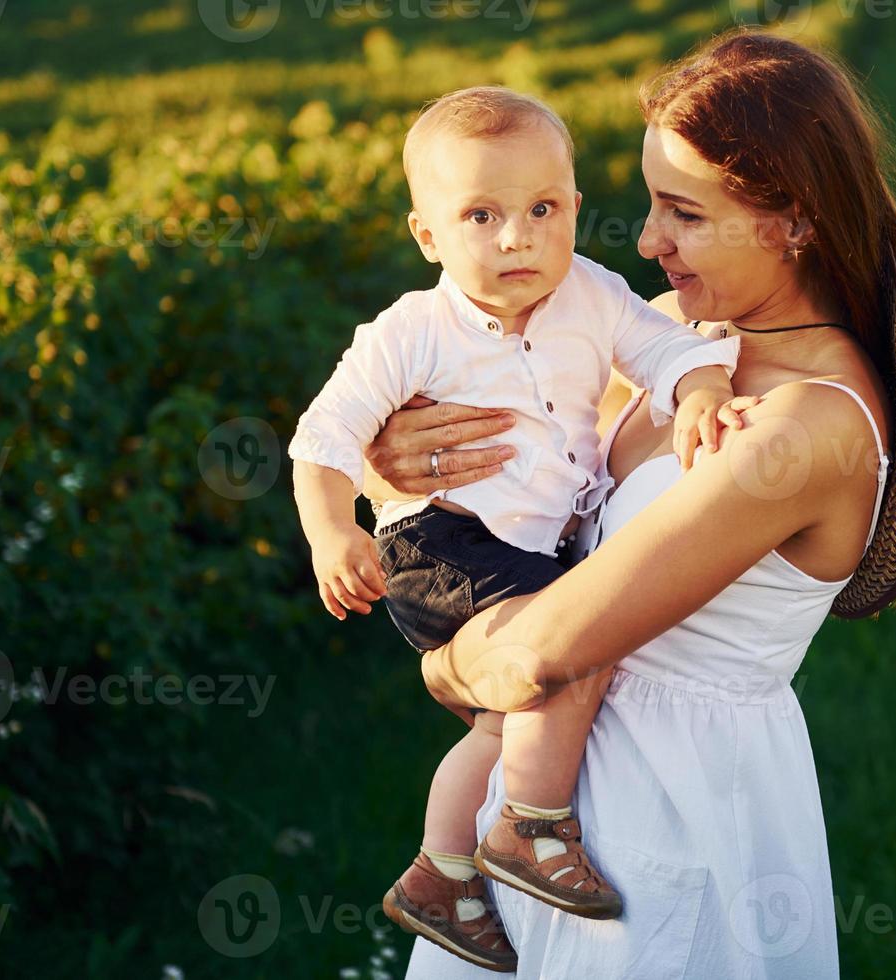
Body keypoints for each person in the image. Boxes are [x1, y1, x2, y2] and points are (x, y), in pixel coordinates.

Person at [360, 30, 896, 978]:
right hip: (547, 800)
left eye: (684, 213)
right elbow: (508, 484)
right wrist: (393, 465)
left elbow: (542, 651)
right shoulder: (676, 337)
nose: (649, 240)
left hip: (666, 816)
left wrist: (445, 667)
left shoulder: (803, 428)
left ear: (793, 220)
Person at [286, 86, 744, 971]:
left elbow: (668, 347)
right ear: (428, 236)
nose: (517, 238)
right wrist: (332, 532)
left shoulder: (594, 296)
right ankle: (530, 827)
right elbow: (323, 437)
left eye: (542, 209)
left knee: (500, 725)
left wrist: (700, 388)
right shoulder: (410, 333)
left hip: (527, 550)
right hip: (439, 544)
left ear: (574, 207)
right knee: (574, 644)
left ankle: (441, 872)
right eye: (481, 216)